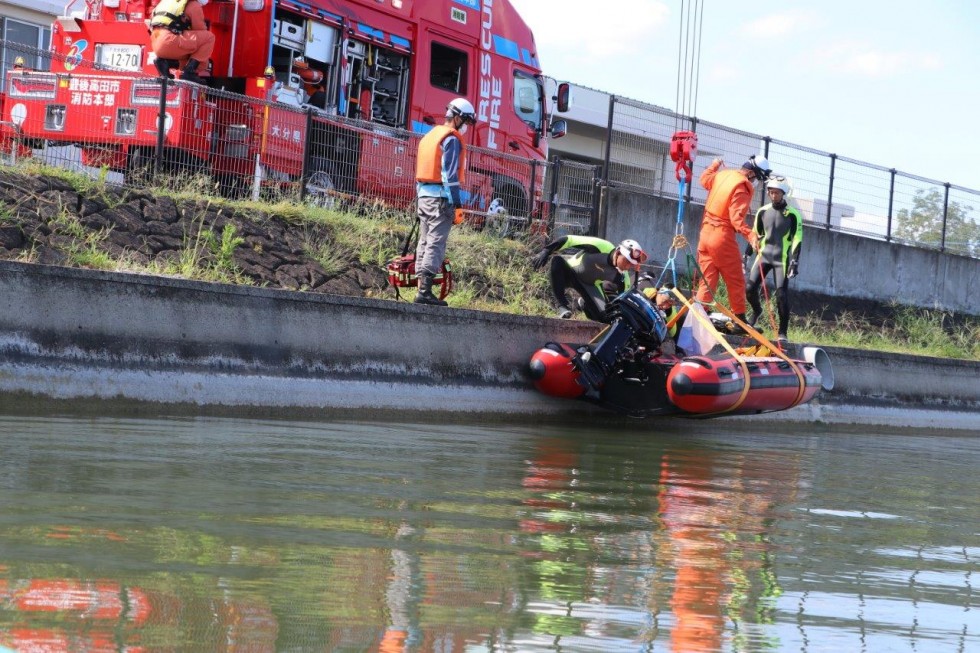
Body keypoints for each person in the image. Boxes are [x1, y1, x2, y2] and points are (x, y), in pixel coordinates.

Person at [413, 97, 477, 306]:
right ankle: (424, 291)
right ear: (458, 117)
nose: (466, 126)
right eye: (466, 121)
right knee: (435, 243)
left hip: (423, 196)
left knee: (424, 241)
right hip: (441, 199)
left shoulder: (431, 135)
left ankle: (421, 287)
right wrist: (457, 204)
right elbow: (450, 175)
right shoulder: (451, 139)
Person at [694, 155, 770, 326]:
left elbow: (704, 180)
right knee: (735, 279)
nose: (756, 182)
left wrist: (714, 165)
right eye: (757, 177)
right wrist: (750, 235)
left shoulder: (723, 174)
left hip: (704, 235)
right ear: (750, 173)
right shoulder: (742, 187)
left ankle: (698, 317)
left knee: (707, 280)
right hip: (721, 237)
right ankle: (739, 320)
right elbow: (736, 220)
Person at [531, 235, 648, 321]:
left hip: (589, 285)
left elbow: (623, 300)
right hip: (570, 272)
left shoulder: (622, 277)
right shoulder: (602, 246)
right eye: (627, 261)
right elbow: (568, 239)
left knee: (605, 317)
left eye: (631, 265)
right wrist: (546, 251)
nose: (628, 267)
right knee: (557, 261)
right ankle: (562, 306)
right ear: (618, 253)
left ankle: (583, 305)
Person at [745, 175, 803, 345]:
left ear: (784, 193)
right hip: (763, 256)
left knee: (781, 296)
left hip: (781, 259)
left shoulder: (793, 215)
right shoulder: (763, 211)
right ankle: (756, 311)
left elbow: (797, 239)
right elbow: (755, 234)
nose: (773, 195)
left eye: (776, 192)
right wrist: (746, 255)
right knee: (749, 288)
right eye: (770, 192)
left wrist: (794, 262)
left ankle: (783, 331)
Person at [149, 0, 215, 84]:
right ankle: (189, 73)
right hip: (170, 40)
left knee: (197, 59)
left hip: (156, 43)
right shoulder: (193, 5)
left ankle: (165, 63)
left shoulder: (166, 2)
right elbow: (200, 29)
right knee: (209, 38)